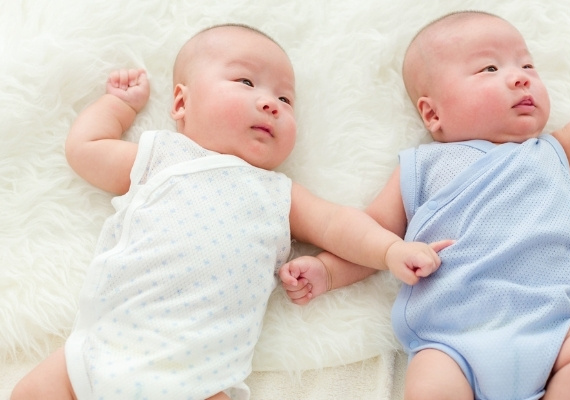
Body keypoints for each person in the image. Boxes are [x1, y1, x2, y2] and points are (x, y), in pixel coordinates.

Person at [11, 23, 451, 400]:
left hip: (201, 376)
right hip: (106, 348)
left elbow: (339, 225)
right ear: (181, 104)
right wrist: (119, 107)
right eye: (245, 83)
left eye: (286, 99)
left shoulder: (279, 194)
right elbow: (85, 150)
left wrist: (390, 251)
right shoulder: (163, 157)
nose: (270, 103)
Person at [280, 11, 570, 400]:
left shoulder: (551, 154)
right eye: (489, 69)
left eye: (527, 66)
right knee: (431, 386)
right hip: (453, 342)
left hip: (548, 332)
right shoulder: (421, 167)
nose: (519, 78)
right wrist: (327, 271)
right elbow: (374, 237)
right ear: (433, 113)